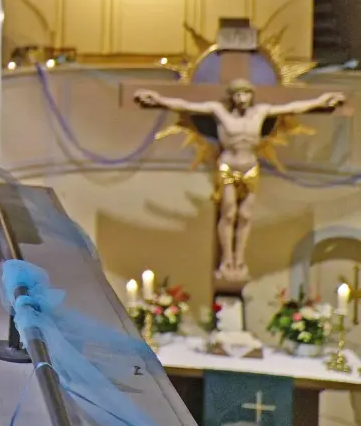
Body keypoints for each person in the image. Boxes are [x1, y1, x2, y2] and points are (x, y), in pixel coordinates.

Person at [134, 78, 343, 280]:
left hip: (250, 166)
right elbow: (186, 105)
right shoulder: (219, 112)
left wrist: (320, 101)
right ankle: (227, 258)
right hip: (228, 165)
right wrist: (158, 99)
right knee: (229, 212)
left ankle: (239, 259)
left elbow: (292, 107)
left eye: (246, 93)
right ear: (232, 97)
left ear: (251, 95)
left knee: (245, 215)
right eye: (237, 94)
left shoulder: (261, 112)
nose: (242, 98)